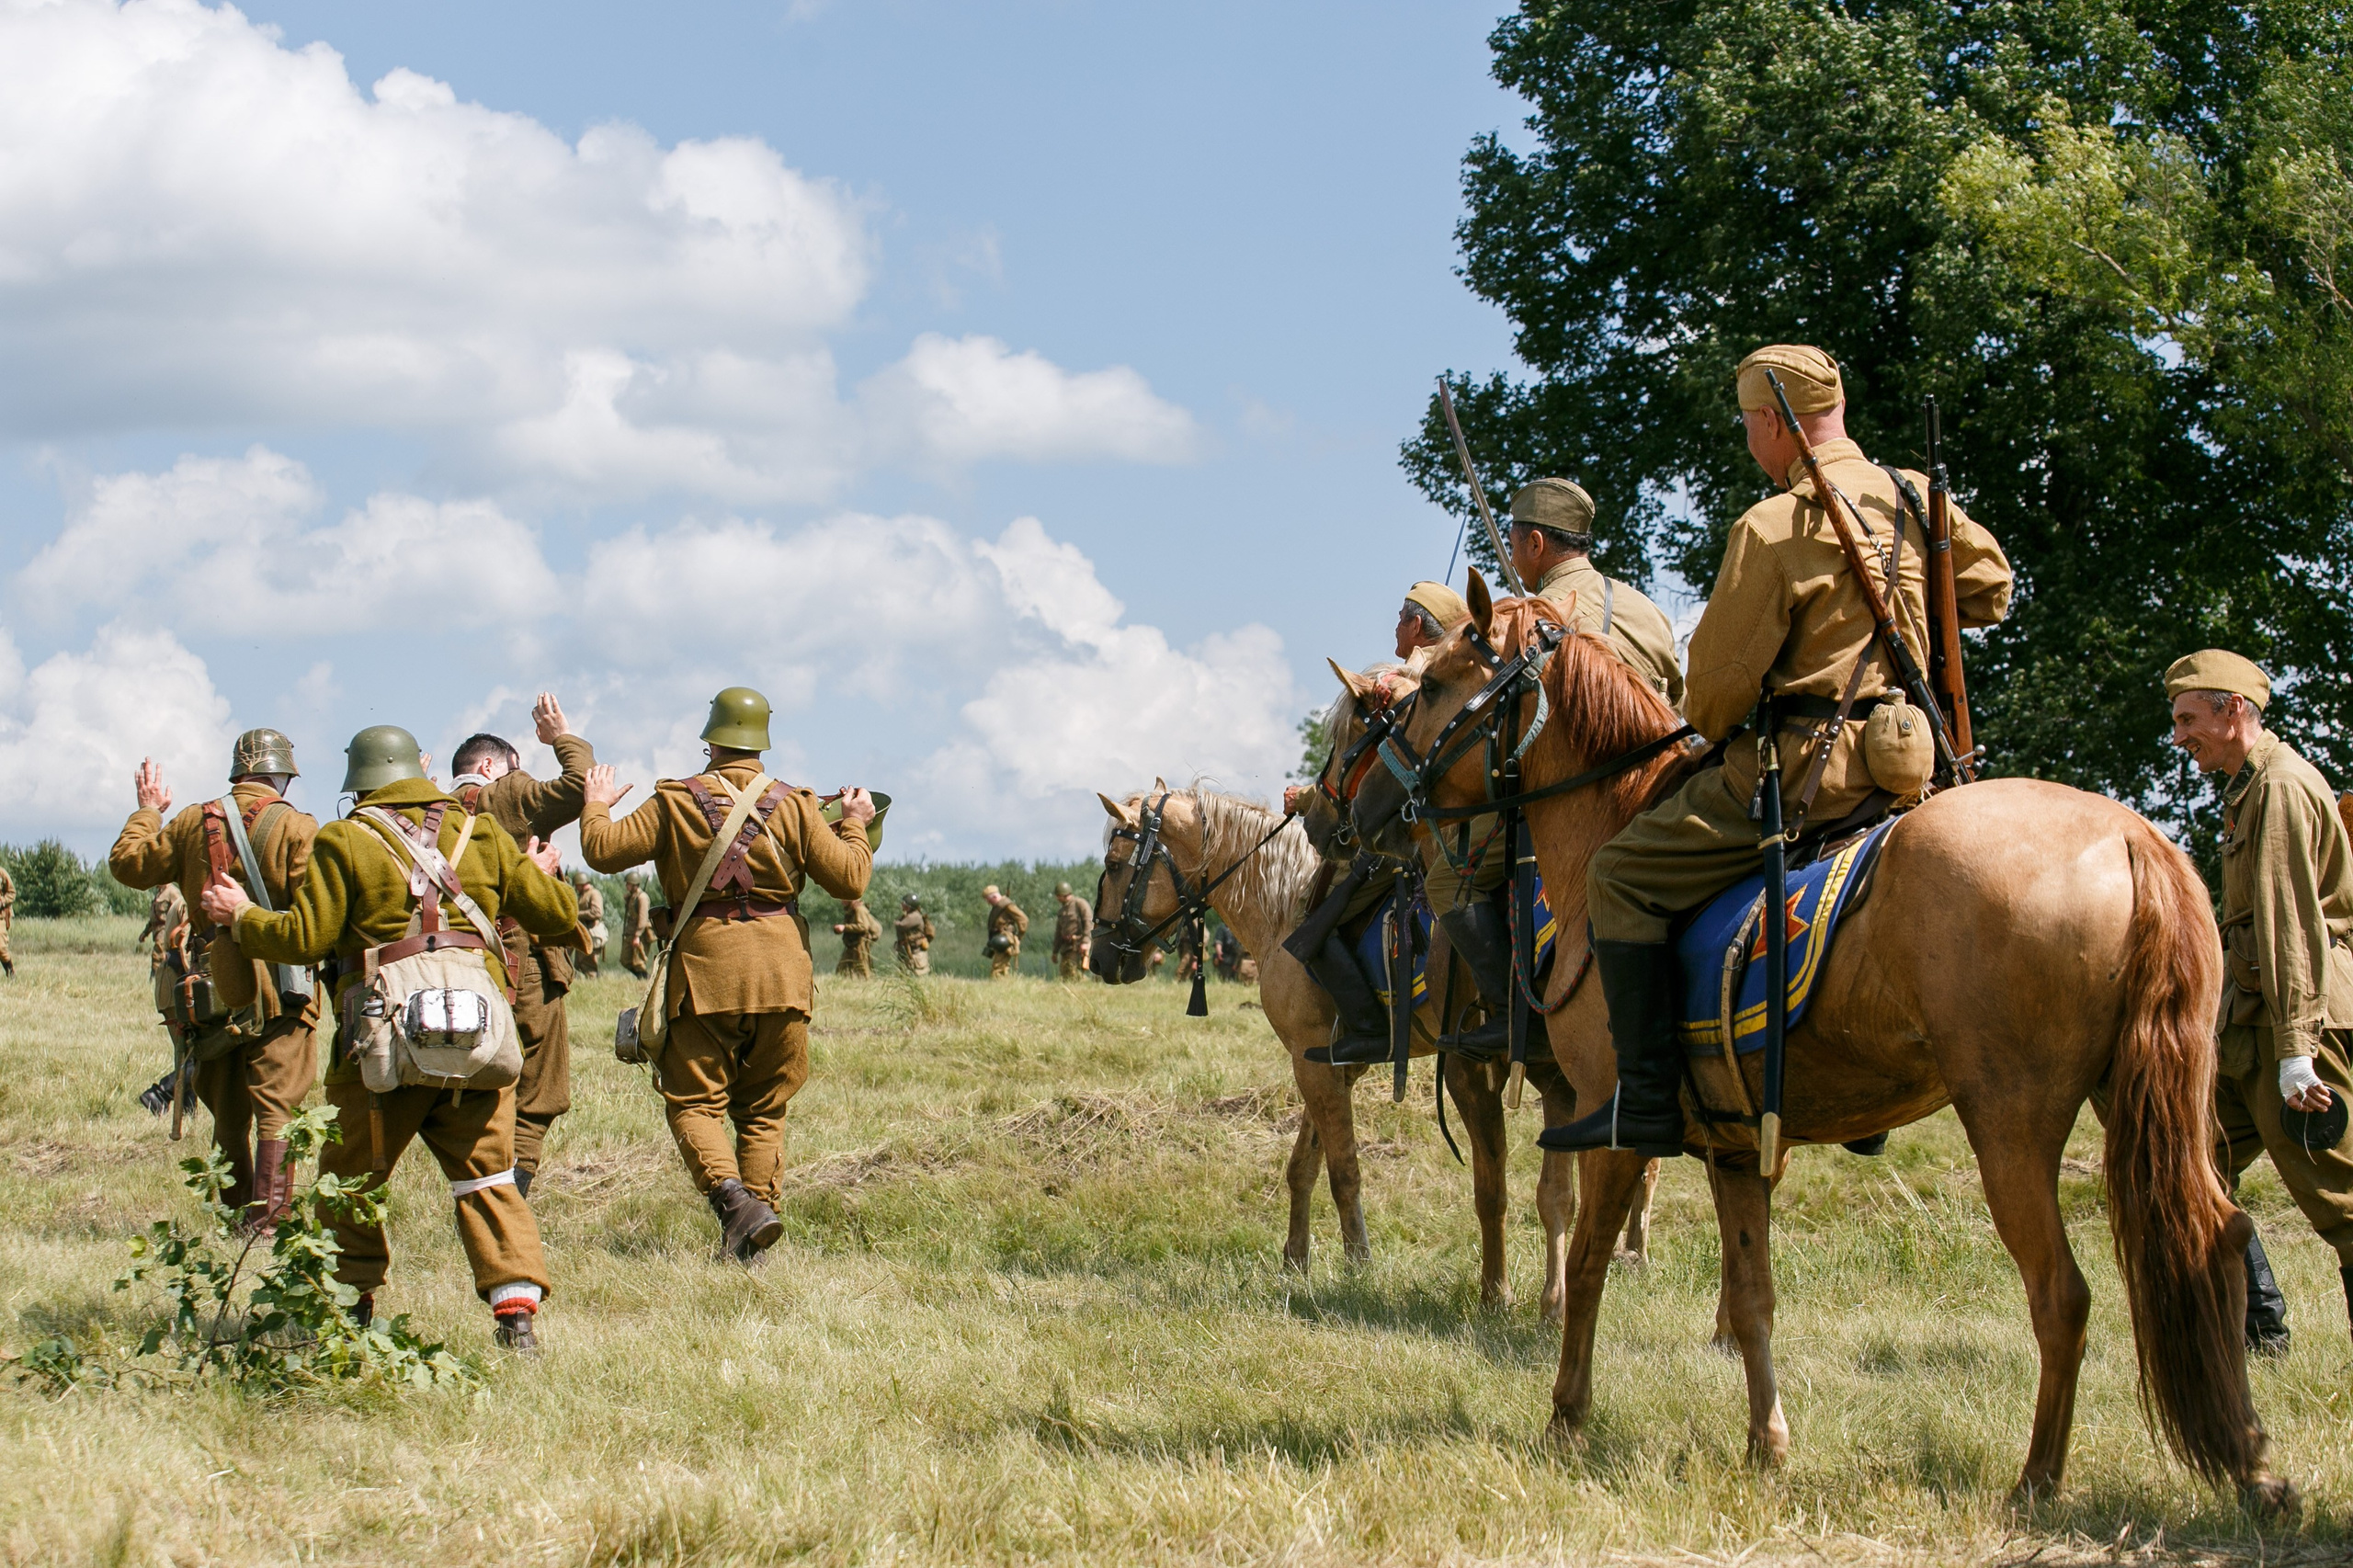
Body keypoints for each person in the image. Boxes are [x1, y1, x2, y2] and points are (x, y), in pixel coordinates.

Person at [1561, 345, 2014, 1155]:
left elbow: (1716, 698)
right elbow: (1990, 590)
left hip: (1807, 774)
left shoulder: (1772, 528)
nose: (1748, 444)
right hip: (1914, 772)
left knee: (1617, 875)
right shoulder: (1914, 496)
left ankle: (1651, 1101)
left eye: (1748, 427)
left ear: (1772, 422)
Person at [199, 724, 575, 1352]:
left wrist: (239, 916)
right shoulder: (480, 832)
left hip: (379, 1046)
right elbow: (559, 918)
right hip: (477, 1041)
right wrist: (534, 873)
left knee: (351, 1181)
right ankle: (516, 1316)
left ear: (360, 785)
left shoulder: (345, 838)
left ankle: (351, 1311)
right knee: (488, 1178)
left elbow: (302, 939)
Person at [578, 687, 875, 1265]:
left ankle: (734, 1203)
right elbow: (851, 880)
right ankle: (751, 1244)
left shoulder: (674, 800)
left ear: (710, 740)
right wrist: (857, 823)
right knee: (764, 1110)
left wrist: (597, 800)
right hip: (783, 976)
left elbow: (600, 848)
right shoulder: (796, 804)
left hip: (706, 974)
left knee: (693, 1103)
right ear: (763, 741)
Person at [2168, 649, 2353, 1350]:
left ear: (2233, 710)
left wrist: (2297, 1053)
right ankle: (2259, 1327)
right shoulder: (2247, 788)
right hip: (2248, 1025)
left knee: (2341, 1200)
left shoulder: (2278, 786)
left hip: (2292, 1021)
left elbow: (2288, 924)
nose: (2180, 736)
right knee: (2193, 1161)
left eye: (2189, 719)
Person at [109, 730, 319, 1228]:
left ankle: (235, 1217)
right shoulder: (296, 826)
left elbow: (127, 864)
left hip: (212, 986)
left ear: (238, 772)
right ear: (283, 777)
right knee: (277, 1106)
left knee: (227, 1110)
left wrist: (148, 811)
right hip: (280, 985)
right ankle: (267, 1224)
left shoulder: (188, 822)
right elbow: (317, 915)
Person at [448, 696, 596, 1201]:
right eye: (518, 769)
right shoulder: (506, 793)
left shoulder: (429, 810)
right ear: (490, 767)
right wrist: (561, 738)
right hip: (520, 960)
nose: (524, 778)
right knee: (536, 1089)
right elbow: (579, 787)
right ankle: (511, 1196)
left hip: (455, 963)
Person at [1507, 478, 1685, 708]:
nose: (1511, 561)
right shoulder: (1648, 608)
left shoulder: (1532, 620)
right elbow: (1679, 703)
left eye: (1512, 545)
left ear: (1535, 544)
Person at [1395, 581, 1469, 661]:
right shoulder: (1455, 671)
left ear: (1415, 626)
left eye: (1401, 617)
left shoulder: (1402, 672)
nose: (1397, 628)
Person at [139, 881, 189, 968]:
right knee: (160, 956)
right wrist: (145, 932)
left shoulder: (172, 892)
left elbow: (181, 910)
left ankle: (156, 977)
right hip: (157, 930)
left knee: (157, 955)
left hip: (166, 929)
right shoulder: (160, 893)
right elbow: (154, 917)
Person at [983, 885, 1028, 979]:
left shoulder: (1007, 905)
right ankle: (1005, 984)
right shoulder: (998, 906)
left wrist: (1019, 936)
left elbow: (1023, 920)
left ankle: (998, 985)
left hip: (1004, 939)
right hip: (998, 938)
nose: (987, 902)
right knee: (1002, 966)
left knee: (998, 967)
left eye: (988, 900)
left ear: (994, 897)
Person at [1051, 881, 1093, 981]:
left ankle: (1087, 988)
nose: (1057, 898)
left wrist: (1086, 942)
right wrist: (1055, 951)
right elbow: (1058, 933)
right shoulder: (1062, 911)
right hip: (1066, 947)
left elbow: (1089, 922)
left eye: (1058, 896)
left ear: (1063, 895)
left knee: (1073, 973)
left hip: (1078, 946)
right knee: (1065, 973)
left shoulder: (1080, 904)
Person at [833, 898, 881, 977]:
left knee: (862, 967)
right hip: (853, 942)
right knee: (842, 968)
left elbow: (863, 927)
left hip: (860, 942)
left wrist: (845, 927)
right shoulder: (852, 910)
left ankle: (867, 983)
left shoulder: (859, 909)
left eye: (843, 899)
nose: (841, 901)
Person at [571, 871, 608, 975]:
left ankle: (596, 982)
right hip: (585, 932)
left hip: (592, 932)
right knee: (580, 964)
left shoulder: (594, 893)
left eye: (577, 886)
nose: (576, 888)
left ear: (581, 884)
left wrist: (577, 914)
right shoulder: (583, 895)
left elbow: (597, 912)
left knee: (589, 965)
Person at [621, 870, 655, 979]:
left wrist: (637, 936)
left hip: (640, 934)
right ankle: (641, 978)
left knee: (638, 961)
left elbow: (643, 918)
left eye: (628, 884)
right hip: (631, 932)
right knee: (625, 960)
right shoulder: (632, 897)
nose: (626, 886)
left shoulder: (642, 897)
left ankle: (645, 979)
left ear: (634, 884)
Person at [894, 892, 934, 975]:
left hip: (915, 954)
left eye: (904, 903)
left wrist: (896, 922)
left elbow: (901, 925)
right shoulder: (912, 915)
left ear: (909, 906)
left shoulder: (914, 916)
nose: (902, 905)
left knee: (917, 975)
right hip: (910, 952)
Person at [0, 859, 13, 977]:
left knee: (1, 948)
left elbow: (12, 893)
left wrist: (3, 901)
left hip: (0, 917)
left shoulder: (2, 873)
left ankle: (10, 973)